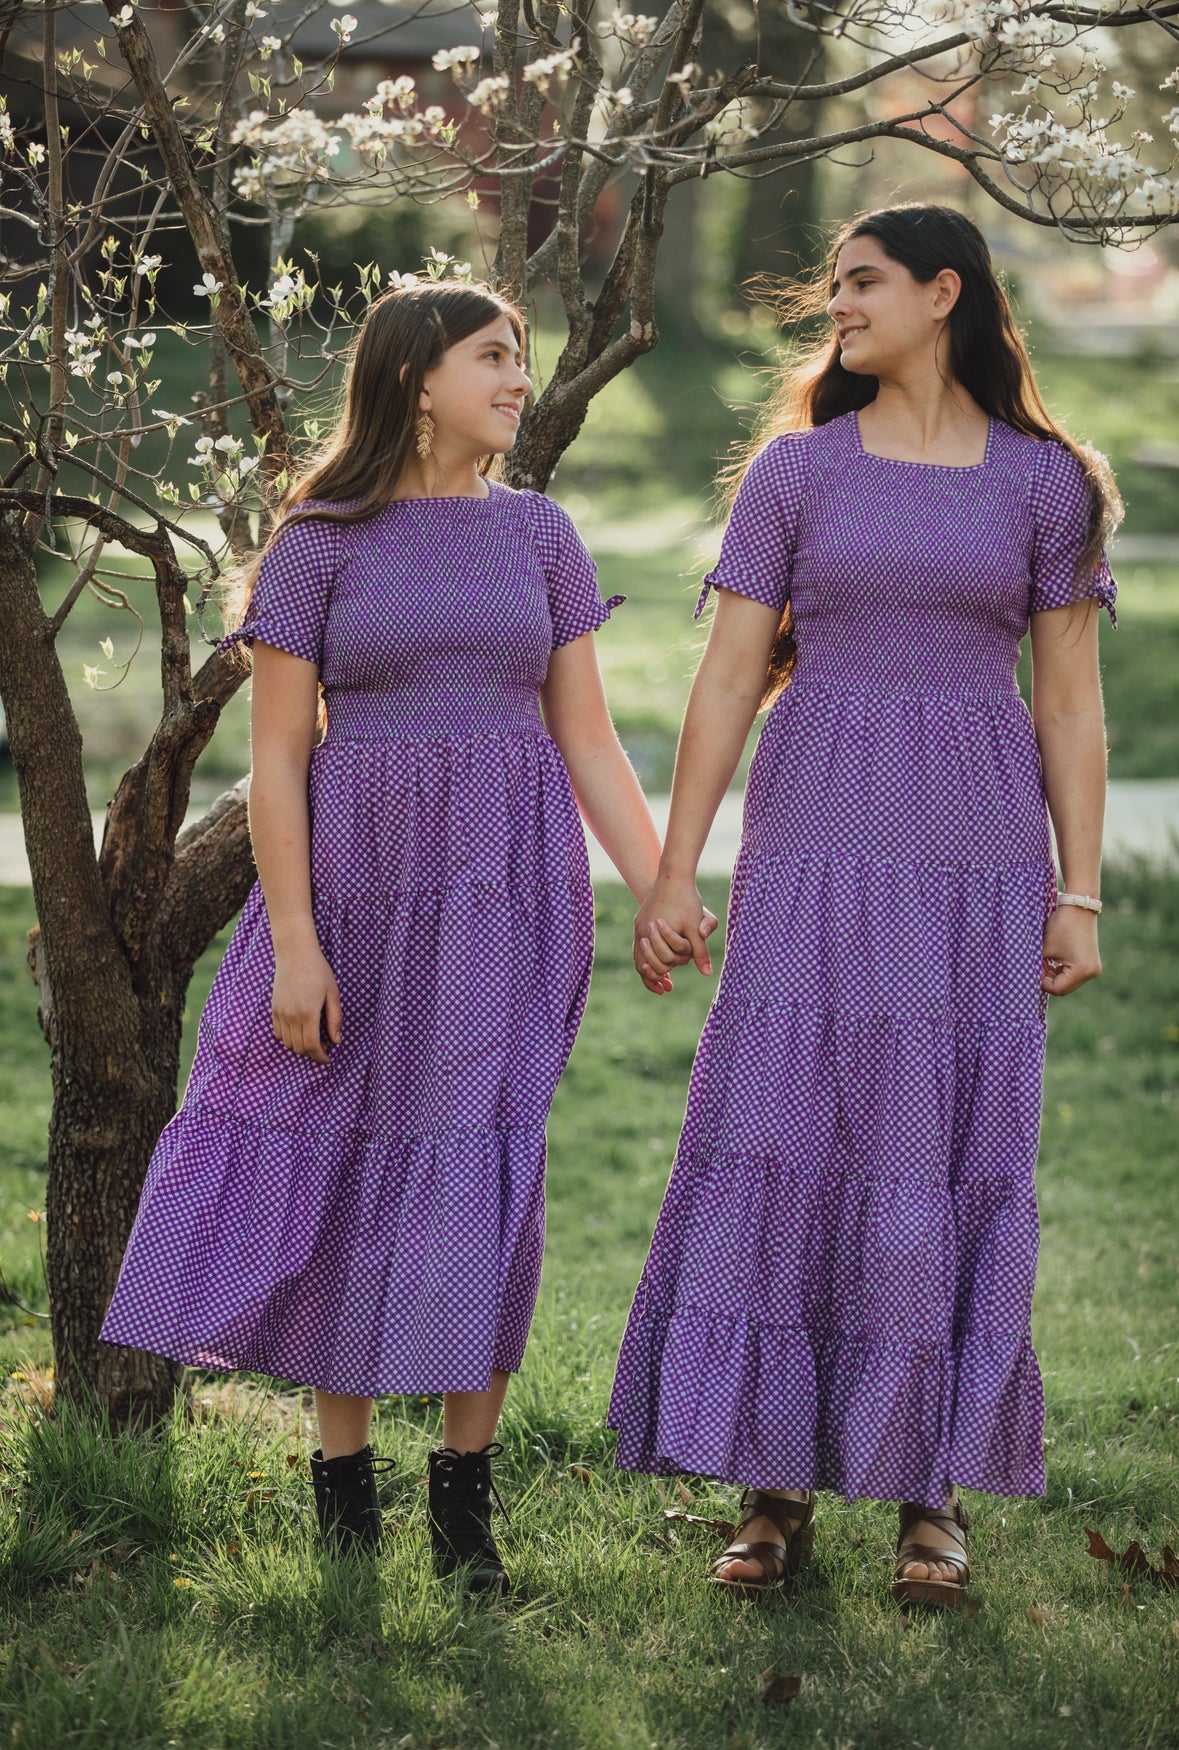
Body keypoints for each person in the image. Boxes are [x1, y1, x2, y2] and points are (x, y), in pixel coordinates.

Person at [101, 279, 667, 1592]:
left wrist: (658, 884)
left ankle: (465, 1516)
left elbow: (586, 733)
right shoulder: (321, 543)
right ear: (418, 378)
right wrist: (295, 944)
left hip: (506, 896)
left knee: (487, 1164)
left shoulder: (542, 535)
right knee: (346, 1163)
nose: (520, 381)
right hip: (354, 897)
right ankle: (343, 1504)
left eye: (522, 359)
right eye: (496, 359)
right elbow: (282, 764)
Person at [608, 203, 1119, 1610]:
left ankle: (928, 1487)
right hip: (817, 822)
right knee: (796, 1119)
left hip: (974, 844)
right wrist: (671, 867)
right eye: (835, 286)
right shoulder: (793, 473)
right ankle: (770, 1482)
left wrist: (1078, 891)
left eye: (863, 285)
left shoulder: (1048, 482)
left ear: (944, 291)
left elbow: (1070, 706)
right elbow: (722, 680)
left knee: (941, 1136)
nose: (837, 307)